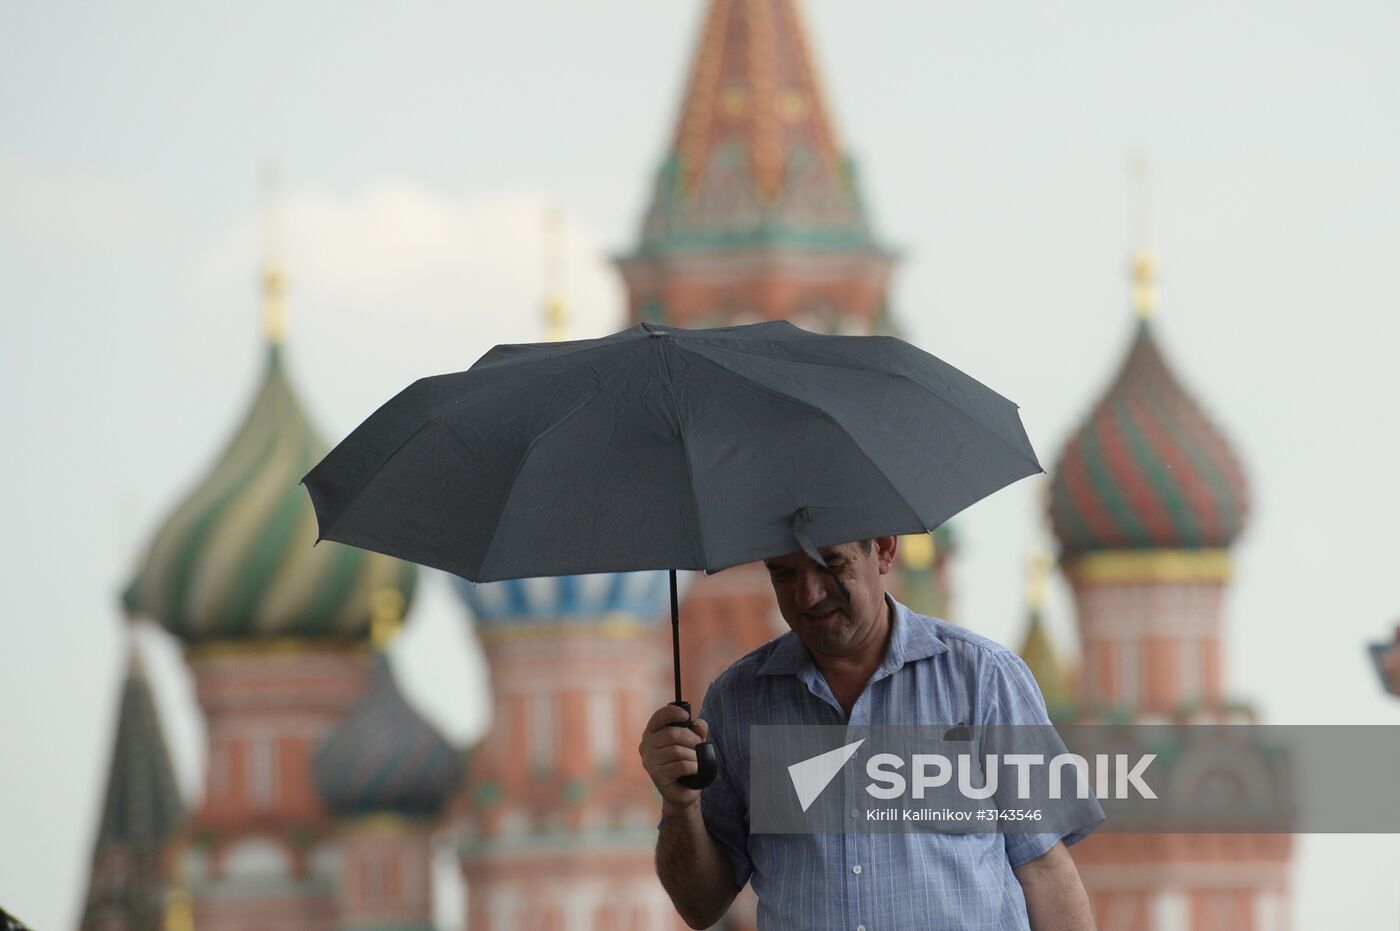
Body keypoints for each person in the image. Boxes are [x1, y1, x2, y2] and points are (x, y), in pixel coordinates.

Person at [638, 536, 1100, 930]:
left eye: (830, 565)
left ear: (883, 550)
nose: (809, 594)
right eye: (784, 574)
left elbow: (1045, 870)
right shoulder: (737, 701)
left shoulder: (980, 678)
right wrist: (680, 805)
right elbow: (701, 907)